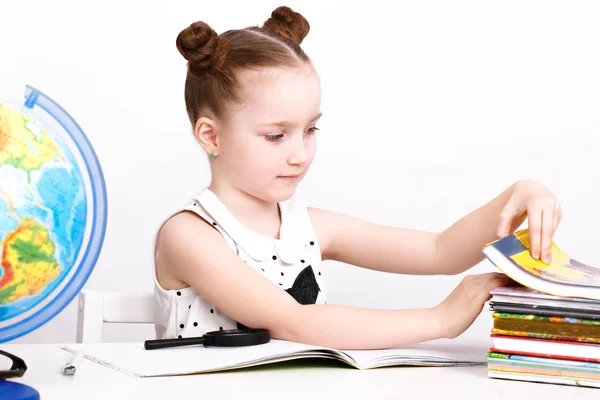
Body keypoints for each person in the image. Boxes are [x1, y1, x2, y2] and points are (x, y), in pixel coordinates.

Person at [153, 6, 562, 349]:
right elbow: (291, 322)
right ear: (211, 135)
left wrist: (519, 195)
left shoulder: (307, 227)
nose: (300, 154)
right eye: (276, 135)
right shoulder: (188, 235)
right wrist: (439, 319)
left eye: (310, 129)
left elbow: (439, 251)